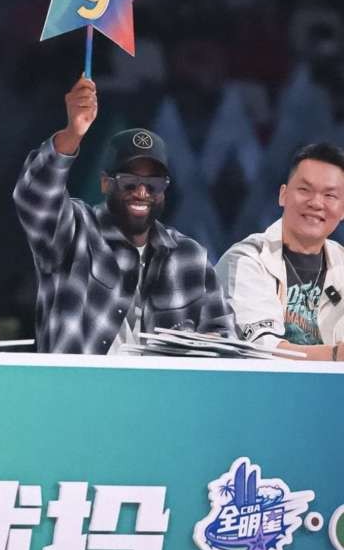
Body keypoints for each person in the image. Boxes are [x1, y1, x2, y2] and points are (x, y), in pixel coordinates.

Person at [13, 75, 234, 354]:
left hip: (161, 383)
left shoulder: (189, 256)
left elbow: (226, 340)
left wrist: (209, 345)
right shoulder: (75, 231)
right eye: (129, 182)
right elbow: (34, 195)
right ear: (105, 183)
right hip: (80, 382)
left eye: (153, 185)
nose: (141, 192)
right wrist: (72, 134)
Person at [216, 142, 344, 361]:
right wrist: (335, 355)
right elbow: (261, 350)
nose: (316, 203)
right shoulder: (246, 260)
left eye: (330, 195)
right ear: (283, 195)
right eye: (304, 190)